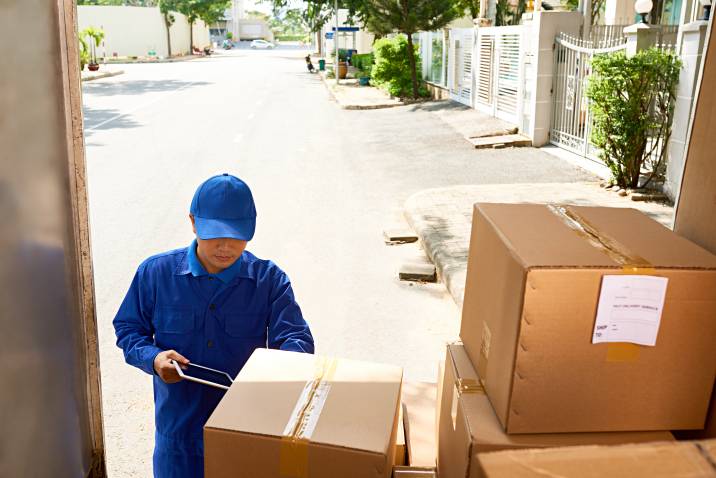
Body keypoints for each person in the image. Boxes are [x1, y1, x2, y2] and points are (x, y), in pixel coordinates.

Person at [113, 174, 314, 478]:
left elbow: (296, 337)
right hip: (178, 439)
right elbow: (129, 330)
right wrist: (153, 359)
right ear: (193, 222)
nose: (226, 246)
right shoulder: (155, 274)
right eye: (214, 235)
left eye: (236, 235)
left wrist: (282, 368)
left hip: (247, 433)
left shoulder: (270, 281)